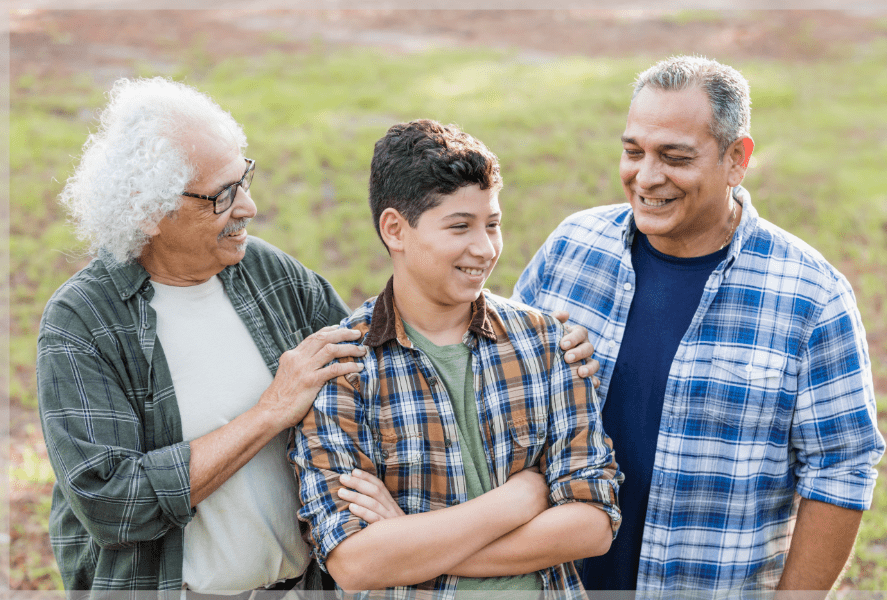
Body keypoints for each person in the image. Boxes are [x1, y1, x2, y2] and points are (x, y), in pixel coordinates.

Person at [36, 77, 597, 595]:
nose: (249, 207)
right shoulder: (83, 323)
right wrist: (267, 413)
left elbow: (379, 358)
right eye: (223, 195)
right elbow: (113, 502)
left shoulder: (267, 275)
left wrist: (548, 345)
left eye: (245, 179)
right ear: (148, 211)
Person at [512, 55, 885, 594]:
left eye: (675, 157)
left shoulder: (813, 298)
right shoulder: (572, 248)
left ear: (737, 159)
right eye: (633, 151)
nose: (646, 176)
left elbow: (841, 469)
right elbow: (494, 394)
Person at [290, 119, 624, 598]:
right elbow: (356, 561)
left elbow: (592, 524)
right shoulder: (344, 367)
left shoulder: (549, 344)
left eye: (492, 224)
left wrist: (409, 539)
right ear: (395, 229)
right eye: (460, 227)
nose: (485, 249)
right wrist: (517, 500)